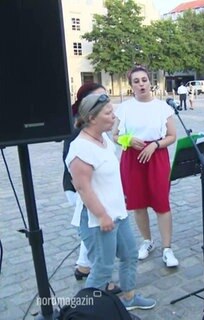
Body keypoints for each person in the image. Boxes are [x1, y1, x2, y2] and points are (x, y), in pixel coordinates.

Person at [66, 93, 156, 310]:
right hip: (98, 220)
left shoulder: (103, 138)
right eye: (108, 113)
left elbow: (108, 167)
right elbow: (83, 188)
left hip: (118, 213)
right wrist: (102, 215)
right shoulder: (80, 149)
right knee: (103, 269)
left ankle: (128, 298)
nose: (113, 116)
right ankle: (85, 312)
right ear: (92, 118)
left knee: (130, 254)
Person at [112, 66, 179, 267]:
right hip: (132, 158)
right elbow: (114, 135)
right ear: (131, 85)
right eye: (136, 81)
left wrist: (156, 145)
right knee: (138, 204)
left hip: (156, 157)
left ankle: (167, 248)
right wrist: (128, 139)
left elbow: (172, 136)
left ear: (150, 82)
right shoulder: (124, 108)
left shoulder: (162, 107)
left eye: (144, 80)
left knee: (161, 203)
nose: (141, 84)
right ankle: (147, 241)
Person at [63, 82, 121, 293]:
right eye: (100, 98)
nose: (106, 102)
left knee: (96, 243)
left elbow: (109, 149)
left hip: (99, 193)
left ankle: (84, 268)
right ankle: (95, 290)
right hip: (78, 191)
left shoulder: (101, 132)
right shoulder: (78, 137)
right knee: (95, 239)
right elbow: (79, 179)